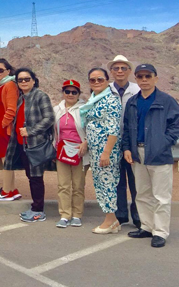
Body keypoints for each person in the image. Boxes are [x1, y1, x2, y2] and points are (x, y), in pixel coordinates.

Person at [122, 64, 179, 248]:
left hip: (159, 154)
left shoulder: (166, 101)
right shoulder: (133, 102)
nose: (144, 80)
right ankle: (146, 226)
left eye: (148, 76)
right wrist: (127, 148)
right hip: (137, 153)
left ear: (156, 78)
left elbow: (176, 125)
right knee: (142, 193)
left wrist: (164, 141)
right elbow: (127, 128)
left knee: (161, 196)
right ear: (136, 79)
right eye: (140, 76)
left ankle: (160, 232)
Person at [5, 68, 55, 223]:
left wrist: (31, 131)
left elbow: (49, 118)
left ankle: (38, 210)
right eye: (20, 80)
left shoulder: (40, 96)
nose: (24, 82)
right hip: (23, 145)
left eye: (27, 79)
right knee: (31, 176)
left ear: (33, 80)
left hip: (35, 145)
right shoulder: (21, 98)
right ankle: (35, 207)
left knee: (36, 178)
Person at [80, 67, 123, 234]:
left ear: (107, 81)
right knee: (100, 183)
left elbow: (113, 129)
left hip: (106, 151)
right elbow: (94, 124)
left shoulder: (111, 100)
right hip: (96, 150)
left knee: (107, 184)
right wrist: (87, 141)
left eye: (100, 79)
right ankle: (113, 220)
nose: (96, 82)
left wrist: (106, 152)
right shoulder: (94, 99)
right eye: (93, 80)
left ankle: (110, 220)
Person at [108, 55, 141, 229]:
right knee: (117, 181)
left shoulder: (137, 90)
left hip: (133, 142)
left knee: (136, 181)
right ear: (111, 71)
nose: (119, 71)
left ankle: (138, 216)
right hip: (111, 143)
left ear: (129, 71)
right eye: (116, 68)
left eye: (123, 68)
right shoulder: (105, 90)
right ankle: (120, 215)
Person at [53, 79, 87, 228]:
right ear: (63, 93)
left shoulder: (84, 109)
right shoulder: (57, 110)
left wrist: (86, 143)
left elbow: (90, 129)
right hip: (61, 151)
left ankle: (77, 215)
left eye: (74, 92)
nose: (70, 94)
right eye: (67, 91)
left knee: (78, 184)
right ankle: (65, 215)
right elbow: (53, 131)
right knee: (63, 185)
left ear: (79, 94)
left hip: (79, 152)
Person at [0, 58, 22, 202]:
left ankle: (6, 191)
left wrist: (3, 124)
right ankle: (12, 189)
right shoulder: (0, 85)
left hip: (4, 130)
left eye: (0, 70)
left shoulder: (9, 85)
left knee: (6, 161)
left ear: (8, 71)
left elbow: (11, 109)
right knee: (7, 161)